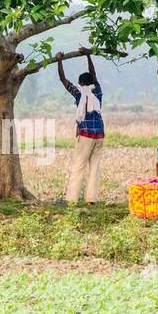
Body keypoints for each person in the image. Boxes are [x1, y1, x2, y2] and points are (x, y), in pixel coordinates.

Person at [56, 50, 104, 204]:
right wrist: (88, 56)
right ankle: (91, 199)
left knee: (79, 166)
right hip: (100, 134)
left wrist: (59, 61)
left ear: (81, 83)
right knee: (94, 167)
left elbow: (63, 80)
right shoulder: (98, 91)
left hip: (85, 135)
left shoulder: (79, 93)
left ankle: (71, 199)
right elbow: (94, 74)